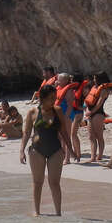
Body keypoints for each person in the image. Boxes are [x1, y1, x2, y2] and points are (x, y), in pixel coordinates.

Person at [20, 85, 74, 216]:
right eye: (51, 98)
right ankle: (37, 212)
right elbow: (26, 133)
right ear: (42, 98)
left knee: (54, 183)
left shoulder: (58, 111)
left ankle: (58, 213)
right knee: (37, 182)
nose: (54, 100)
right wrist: (21, 150)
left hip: (55, 150)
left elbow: (63, 131)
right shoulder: (32, 112)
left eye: (55, 97)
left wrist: (71, 150)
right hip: (36, 151)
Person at [84, 72, 111, 162]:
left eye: (96, 78)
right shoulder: (94, 88)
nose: (94, 80)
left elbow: (99, 104)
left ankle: (99, 156)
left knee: (99, 136)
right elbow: (88, 100)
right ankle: (92, 157)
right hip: (91, 113)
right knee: (91, 136)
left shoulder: (104, 90)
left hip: (98, 114)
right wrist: (87, 110)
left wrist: (91, 112)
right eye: (94, 78)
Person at [69, 75, 89, 162]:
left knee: (73, 134)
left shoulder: (83, 89)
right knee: (71, 134)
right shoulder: (74, 89)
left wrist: (84, 107)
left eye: (73, 80)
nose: (72, 82)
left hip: (78, 113)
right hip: (72, 112)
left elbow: (88, 100)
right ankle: (75, 153)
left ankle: (78, 154)